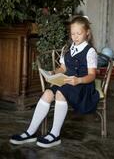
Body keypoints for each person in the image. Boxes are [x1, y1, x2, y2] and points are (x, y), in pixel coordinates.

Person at [9, 15, 100, 148]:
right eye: (72, 33)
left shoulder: (90, 51)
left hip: (82, 87)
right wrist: (52, 73)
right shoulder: (68, 49)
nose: (75, 36)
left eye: (78, 33)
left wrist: (78, 80)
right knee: (47, 93)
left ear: (87, 32)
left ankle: (54, 134)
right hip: (67, 83)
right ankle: (30, 132)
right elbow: (63, 68)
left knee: (60, 93)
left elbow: (92, 75)